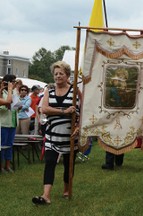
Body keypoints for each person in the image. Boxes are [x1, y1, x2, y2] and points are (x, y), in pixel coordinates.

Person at [32, 61, 81, 205]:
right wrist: (63, 111)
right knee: (50, 162)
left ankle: (66, 189)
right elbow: (44, 109)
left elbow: (84, 110)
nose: (58, 76)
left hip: (69, 135)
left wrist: (79, 126)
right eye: (56, 74)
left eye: (61, 73)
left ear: (67, 76)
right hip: (52, 134)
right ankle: (46, 195)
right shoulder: (49, 91)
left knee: (68, 164)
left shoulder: (75, 91)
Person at [0, 75, 17, 173]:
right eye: (13, 82)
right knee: (2, 145)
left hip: (12, 122)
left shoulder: (14, 92)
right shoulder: (3, 92)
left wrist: (18, 106)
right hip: (3, 122)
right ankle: (1, 166)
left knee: (10, 145)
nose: (14, 84)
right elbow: (5, 105)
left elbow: (13, 104)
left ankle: (8, 165)